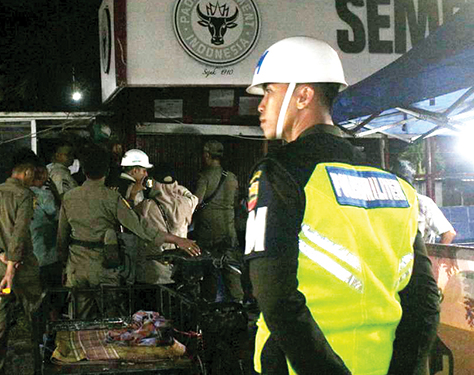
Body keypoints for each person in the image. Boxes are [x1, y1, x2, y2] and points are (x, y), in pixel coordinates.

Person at [244, 36, 440, 375]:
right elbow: (423, 301)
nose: (261, 106)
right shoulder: (395, 182)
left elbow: (274, 297)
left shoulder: (280, 173)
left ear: (302, 95)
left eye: (269, 92)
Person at [56, 145, 200, 320]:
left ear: (84, 170)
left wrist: (64, 264)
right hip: (104, 267)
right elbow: (140, 228)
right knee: (111, 320)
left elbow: (61, 237)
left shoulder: (69, 197)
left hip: (76, 267)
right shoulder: (112, 198)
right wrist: (177, 239)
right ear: (107, 171)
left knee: (78, 319)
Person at [0, 159, 43, 375]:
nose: (34, 180)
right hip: (22, 274)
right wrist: (11, 268)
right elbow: (19, 233)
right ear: (26, 172)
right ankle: (41, 368)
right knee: (36, 322)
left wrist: (0, 255)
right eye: (33, 175)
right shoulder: (24, 195)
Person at [193, 140, 242, 302]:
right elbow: (235, 202)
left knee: (209, 270)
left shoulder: (204, 176)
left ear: (207, 154)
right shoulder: (232, 177)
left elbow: (196, 201)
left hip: (208, 231)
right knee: (232, 270)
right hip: (229, 230)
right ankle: (238, 304)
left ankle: (210, 305)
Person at [133, 168, 199, 284]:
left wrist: (135, 192)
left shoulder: (147, 207)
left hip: (154, 271)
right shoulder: (186, 203)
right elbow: (193, 197)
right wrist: (174, 187)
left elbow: (131, 212)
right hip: (177, 270)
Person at [393, 159, 457, 245]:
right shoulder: (389, 203)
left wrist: (436, 257)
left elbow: (448, 233)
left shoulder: (422, 202)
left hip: (421, 255)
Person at [30, 165, 62, 321]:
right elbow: (59, 216)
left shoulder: (22, 194)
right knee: (52, 299)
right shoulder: (45, 196)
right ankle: (52, 333)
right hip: (47, 254)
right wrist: (56, 193)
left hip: (30, 256)